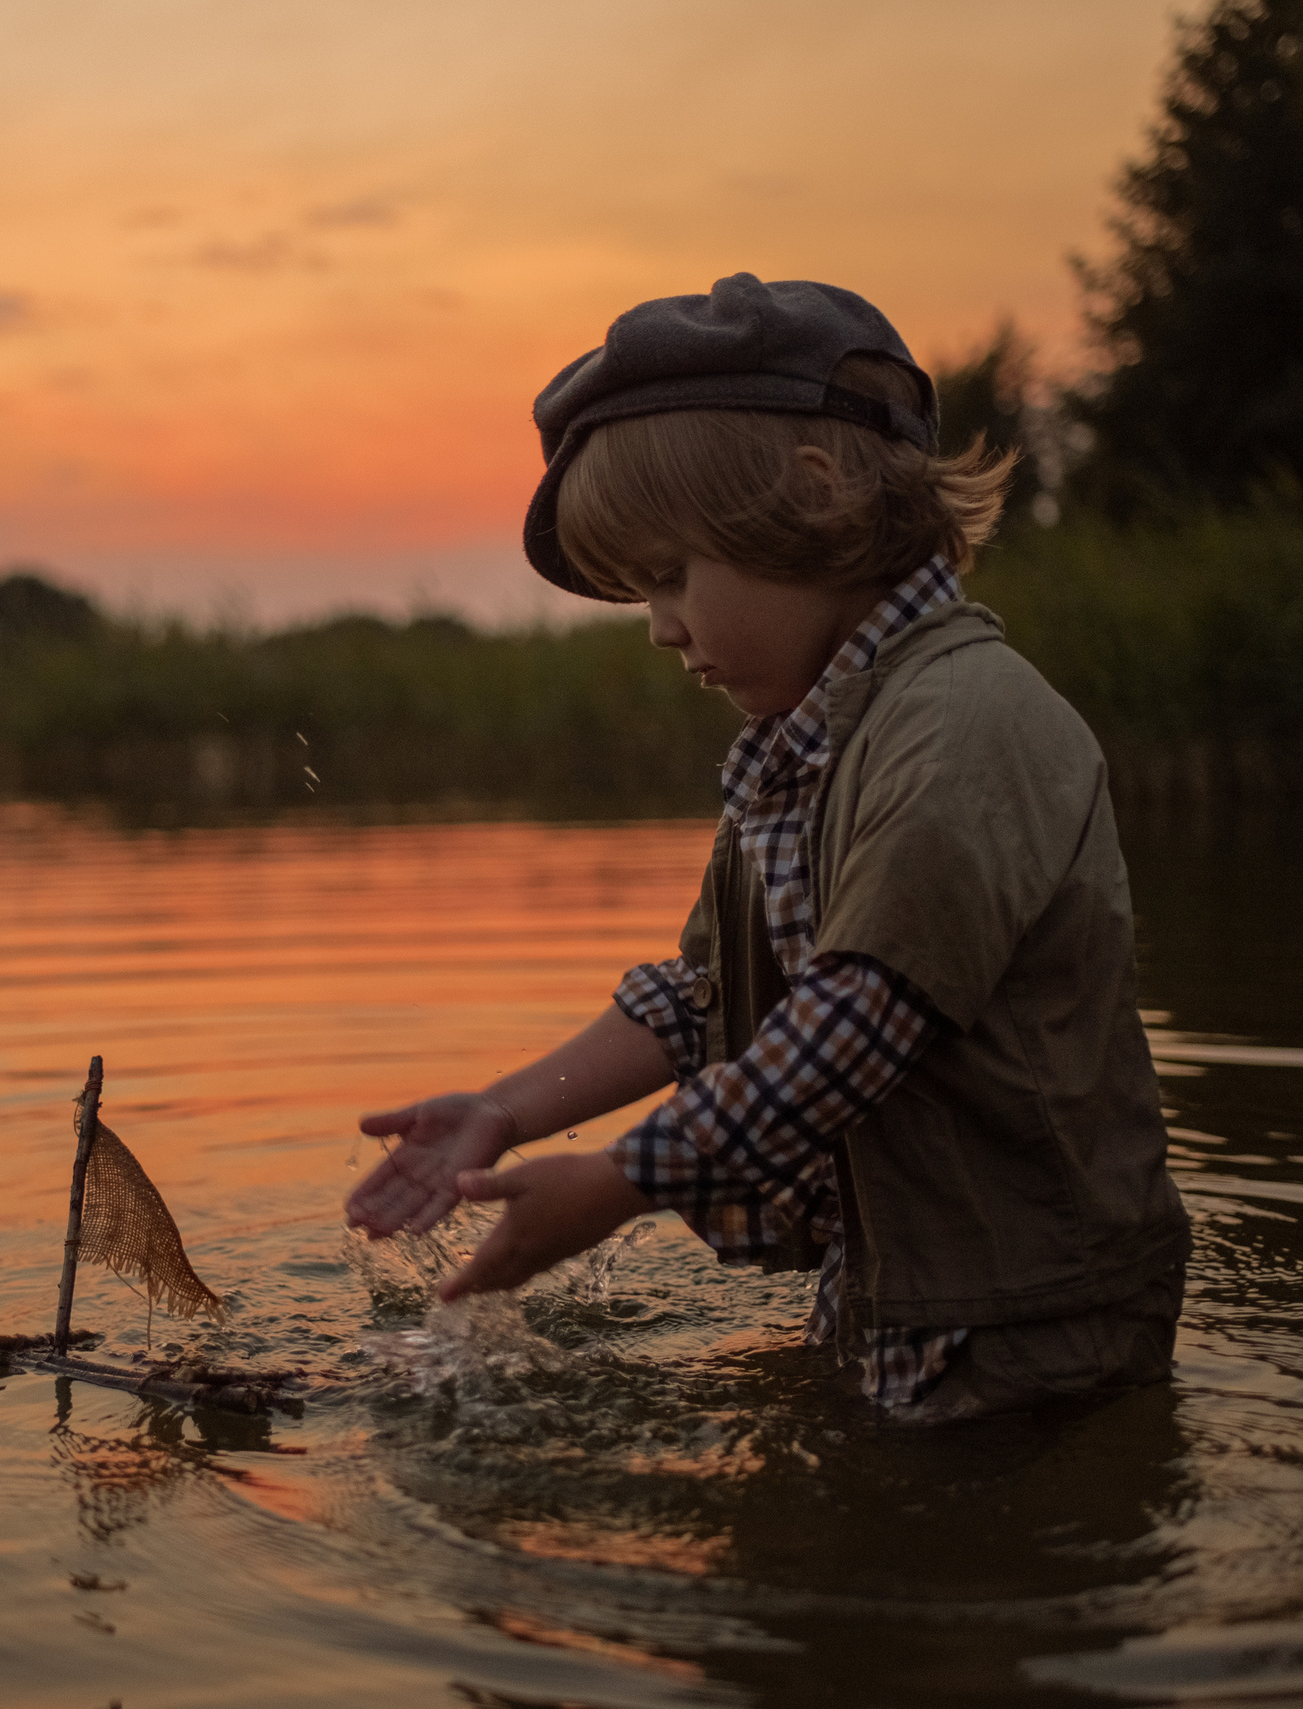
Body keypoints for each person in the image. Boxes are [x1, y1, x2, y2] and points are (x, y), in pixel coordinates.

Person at [346, 274, 1189, 1422]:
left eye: (669, 574)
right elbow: (699, 996)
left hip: (1034, 1333)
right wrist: (505, 1109)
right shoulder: (799, 745)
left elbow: (848, 1028)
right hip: (893, 1298)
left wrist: (615, 1182)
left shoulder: (960, 725)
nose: (657, 626)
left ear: (814, 498)